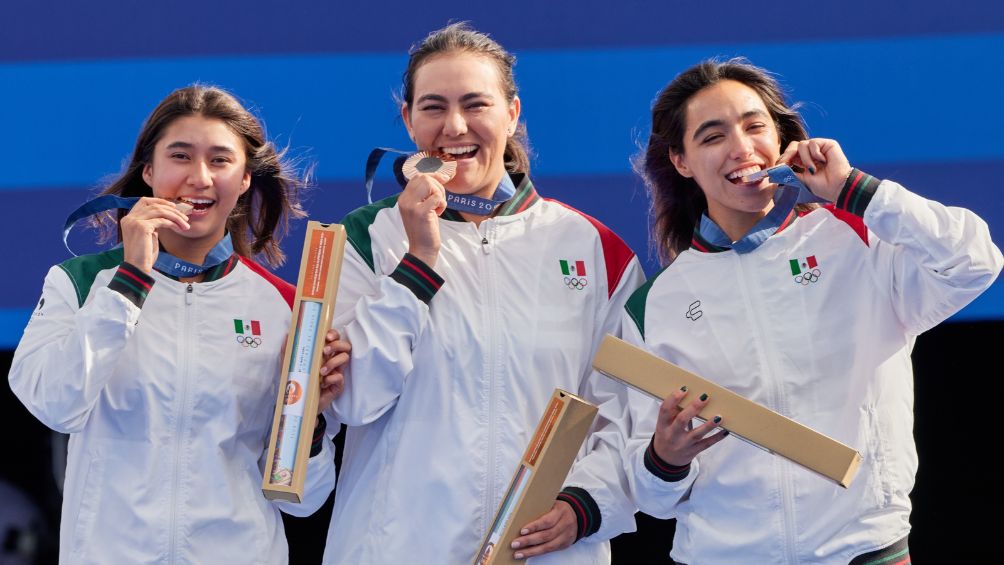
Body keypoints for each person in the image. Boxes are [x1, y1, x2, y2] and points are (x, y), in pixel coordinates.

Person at [619, 59, 1003, 564]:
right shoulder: (653, 307)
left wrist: (853, 190)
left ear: (782, 139)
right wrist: (663, 459)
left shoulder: (857, 237)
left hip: (864, 551)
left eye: (755, 126)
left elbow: (974, 262)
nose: (741, 148)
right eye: (712, 136)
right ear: (681, 161)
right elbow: (652, 498)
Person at [322, 23, 645, 564]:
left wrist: (588, 504)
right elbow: (354, 399)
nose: (454, 127)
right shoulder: (360, 238)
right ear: (407, 119)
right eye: (433, 107)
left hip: (547, 552)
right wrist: (418, 262)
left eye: (476, 104)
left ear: (512, 113)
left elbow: (627, 411)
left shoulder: (594, 249)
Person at [8, 85, 349, 564]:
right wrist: (130, 282)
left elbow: (305, 499)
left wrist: (306, 420)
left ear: (246, 178)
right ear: (150, 171)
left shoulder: (284, 306)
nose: (199, 178)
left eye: (220, 160)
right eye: (181, 157)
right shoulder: (81, 283)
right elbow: (54, 405)